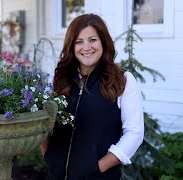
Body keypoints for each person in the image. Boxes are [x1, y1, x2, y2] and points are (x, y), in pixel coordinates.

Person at [40, 14, 144, 179]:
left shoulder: (122, 81)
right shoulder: (59, 79)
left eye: (92, 40)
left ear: (103, 41)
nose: (86, 47)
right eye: (79, 42)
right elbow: (41, 121)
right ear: (72, 46)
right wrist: (49, 155)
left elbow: (134, 133)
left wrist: (97, 168)